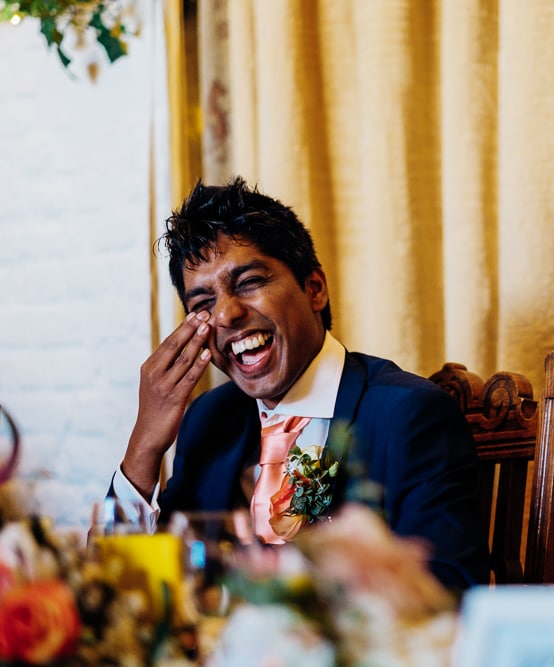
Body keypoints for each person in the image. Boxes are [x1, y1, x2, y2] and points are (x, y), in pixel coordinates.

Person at [110, 176, 489, 590]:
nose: (226, 315)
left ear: (315, 289)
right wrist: (145, 446)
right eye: (203, 303)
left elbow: (445, 589)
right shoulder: (208, 419)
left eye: (249, 283)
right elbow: (128, 591)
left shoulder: (409, 414)